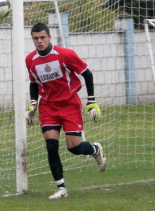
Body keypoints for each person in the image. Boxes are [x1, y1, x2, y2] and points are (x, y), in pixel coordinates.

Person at [24, 22, 106, 200]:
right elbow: (33, 83)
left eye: (42, 37)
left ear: (49, 37)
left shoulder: (66, 54)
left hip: (69, 104)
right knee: (51, 145)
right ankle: (61, 188)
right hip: (48, 106)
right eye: (35, 38)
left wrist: (91, 101)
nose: (39, 41)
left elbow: (87, 74)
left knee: (74, 147)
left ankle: (94, 149)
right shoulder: (30, 60)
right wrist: (33, 105)